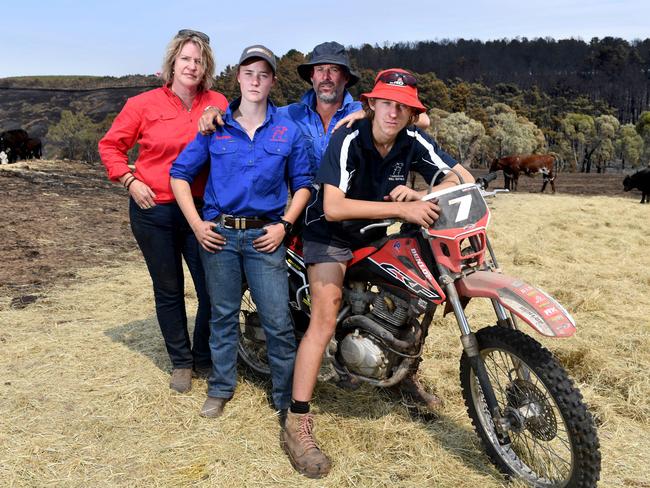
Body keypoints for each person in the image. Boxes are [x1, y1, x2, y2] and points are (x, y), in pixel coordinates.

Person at [280, 69, 475, 478]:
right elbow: (333, 206)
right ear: (371, 104)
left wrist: (424, 194)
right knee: (325, 314)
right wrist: (402, 209)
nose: (393, 112)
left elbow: (462, 178)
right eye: (386, 103)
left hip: (373, 230)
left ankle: (402, 374)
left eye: (402, 106)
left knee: (419, 289)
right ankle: (296, 422)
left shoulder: (413, 139)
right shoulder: (348, 137)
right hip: (328, 233)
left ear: (410, 113)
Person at [170, 45, 313, 419]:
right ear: (238, 77)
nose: (255, 81)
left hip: (266, 237)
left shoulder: (287, 130)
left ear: (272, 82)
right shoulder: (216, 127)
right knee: (222, 315)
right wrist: (197, 224)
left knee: (278, 320)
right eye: (249, 73)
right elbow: (179, 175)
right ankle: (220, 388)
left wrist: (285, 225)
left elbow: (303, 184)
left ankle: (285, 398)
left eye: (263, 75)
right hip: (220, 236)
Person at [98, 30, 228, 394]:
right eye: (186, 59)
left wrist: (217, 112)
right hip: (152, 209)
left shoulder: (217, 101)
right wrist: (129, 180)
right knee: (169, 289)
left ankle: (203, 354)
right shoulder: (143, 104)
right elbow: (110, 146)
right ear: (172, 63)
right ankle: (182, 362)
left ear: (206, 68)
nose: (192, 66)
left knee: (211, 290)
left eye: (198, 61)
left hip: (201, 212)